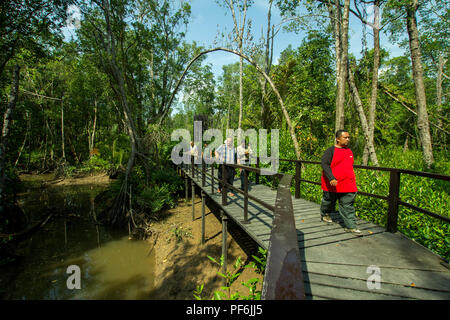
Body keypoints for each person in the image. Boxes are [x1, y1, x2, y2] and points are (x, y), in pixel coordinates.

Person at [320, 130, 362, 235]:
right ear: (338, 139)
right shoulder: (330, 151)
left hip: (348, 184)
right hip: (332, 183)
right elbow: (325, 164)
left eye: (349, 137)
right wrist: (331, 178)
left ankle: (351, 227)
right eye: (345, 137)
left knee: (348, 205)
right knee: (328, 201)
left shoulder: (349, 151)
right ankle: (325, 214)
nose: (348, 139)